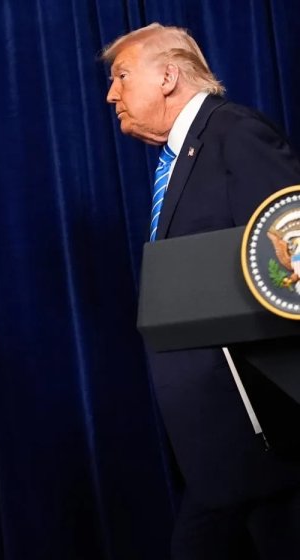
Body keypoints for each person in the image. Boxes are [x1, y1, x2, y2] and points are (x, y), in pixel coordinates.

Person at [103, 23, 300, 559]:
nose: (112, 94)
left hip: (264, 437)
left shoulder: (235, 134)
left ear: (168, 76)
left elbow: (290, 264)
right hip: (217, 442)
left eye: (122, 76)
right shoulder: (181, 157)